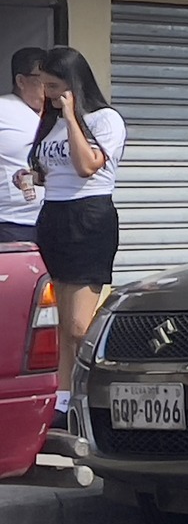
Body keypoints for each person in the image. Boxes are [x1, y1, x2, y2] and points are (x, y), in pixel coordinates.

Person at [14, 47, 124, 419]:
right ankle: (63, 399)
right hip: (54, 216)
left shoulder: (105, 119)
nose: (48, 93)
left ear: (73, 84)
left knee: (79, 326)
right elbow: (53, 171)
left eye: (54, 86)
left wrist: (73, 116)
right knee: (60, 322)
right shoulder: (51, 123)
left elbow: (86, 166)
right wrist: (30, 176)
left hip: (89, 217)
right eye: (44, 85)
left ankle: (94, 392)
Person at [0, 48, 44, 245]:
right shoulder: (4, 108)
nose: (47, 86)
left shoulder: (59, 114)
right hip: (12, 222)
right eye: (41, 78)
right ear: (21, 81)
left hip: (53, 219)